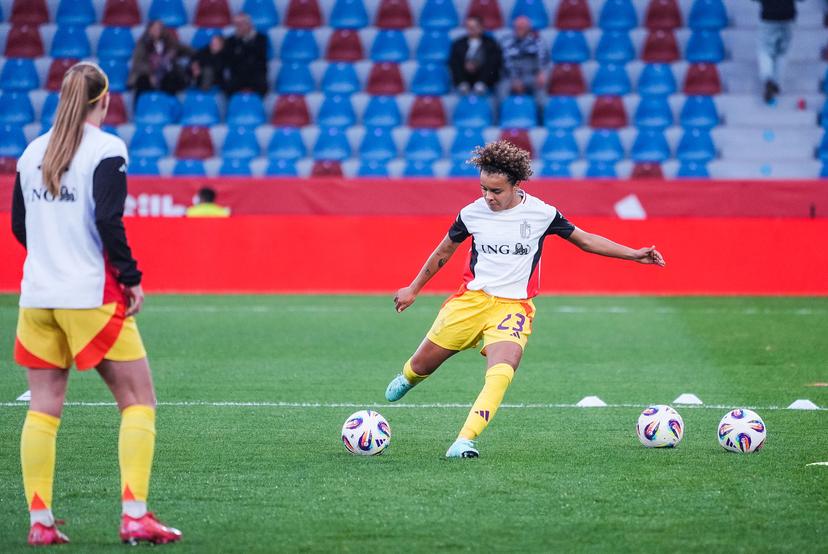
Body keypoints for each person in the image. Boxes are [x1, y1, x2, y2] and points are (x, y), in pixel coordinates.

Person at [384, 141, 665, 459]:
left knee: (502, 371)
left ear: (516, 185)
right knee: (421, 366)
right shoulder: (472, 213)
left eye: (496, 190)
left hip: (514, 307)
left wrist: (634, 254)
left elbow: (585, 240)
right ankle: (407, 376)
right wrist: (413, 288)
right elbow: (443, 251)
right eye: (483, 188)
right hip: (470, 302)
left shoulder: (542, 214)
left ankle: (464, 440)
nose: (488, 196)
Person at [10, 62, 181, 546]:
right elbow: (109, 220)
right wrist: (131, 279)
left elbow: (21, 229)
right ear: (103, 102)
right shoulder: (107, 149)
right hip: (88, 295)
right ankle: (134, 516)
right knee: (138, 401)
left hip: (36, 297)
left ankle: (40, 523)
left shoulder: (30, 152)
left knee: (43, 410)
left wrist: (52, 256)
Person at [127, 20, 192, 106]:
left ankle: (168, 109)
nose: (156, 31)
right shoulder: (142, 44)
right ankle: (140, 109)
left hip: (164, 76)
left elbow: (184, 50)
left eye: (158, 28)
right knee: (141, 82)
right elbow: (138, 64)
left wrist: (198, 58)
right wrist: (150, 74)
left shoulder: (169, 43)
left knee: (173, 80)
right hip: (148, 76)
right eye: (154, 28)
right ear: (149, 30)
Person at [754, 0, 803, 103]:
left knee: (765, 50)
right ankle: (776, 82)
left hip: (768, 16)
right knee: (782, 53)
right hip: (788, 16)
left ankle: (768, 78)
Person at [448, 16, 503, 94]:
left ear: (481, 27)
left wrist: (477, 64)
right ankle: (462, 84)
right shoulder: (458, 43)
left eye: (474, 27)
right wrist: (466, 64)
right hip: (464, 74)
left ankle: (481, 84)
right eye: (469, 27)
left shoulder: (491, 43)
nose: (472, 29)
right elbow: (453, 62)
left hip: (484, 75)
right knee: (455, 61)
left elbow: (496, 62)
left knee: (493, 60)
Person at [498, 16, 549, 97]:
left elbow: (542, 59)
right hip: (510, 78)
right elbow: (505, 62)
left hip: (531, 77)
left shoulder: (538, 41)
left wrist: (541, 72)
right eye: (518, 27)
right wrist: (515, 79)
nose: (520, 29)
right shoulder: (506, 41)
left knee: (541, 91)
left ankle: (542, 109)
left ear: (528, 28)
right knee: (502, 91)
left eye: (522, 27)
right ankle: (501, 109)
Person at [223, 13, 269, 97]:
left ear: (249, 24)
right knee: (228, 87)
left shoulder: (261, 39)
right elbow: (230, 60)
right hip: (238, 75)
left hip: (255, 74)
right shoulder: (230, 41)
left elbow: (258, 58)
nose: (238, 27)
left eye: (240, 24)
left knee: (262, 86)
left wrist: (242, 46)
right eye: (236, 25)